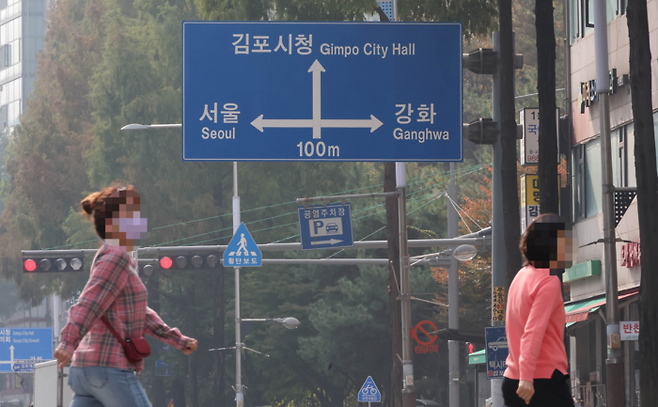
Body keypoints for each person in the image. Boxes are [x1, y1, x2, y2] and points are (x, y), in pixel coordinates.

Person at [53, 185, 198, 407]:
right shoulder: (116, 257)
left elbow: (139, 313)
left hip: (86, 371)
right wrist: (67, 341)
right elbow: (89, 303)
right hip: (108, 367)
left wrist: (176, 339)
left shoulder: (109, 256)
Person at [502, 213, 575, 407]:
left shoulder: (520, 277)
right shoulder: (548, 281)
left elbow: (514, 328)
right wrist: (527, 377)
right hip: (541, 382)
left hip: (513, 379)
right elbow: (533, 332)